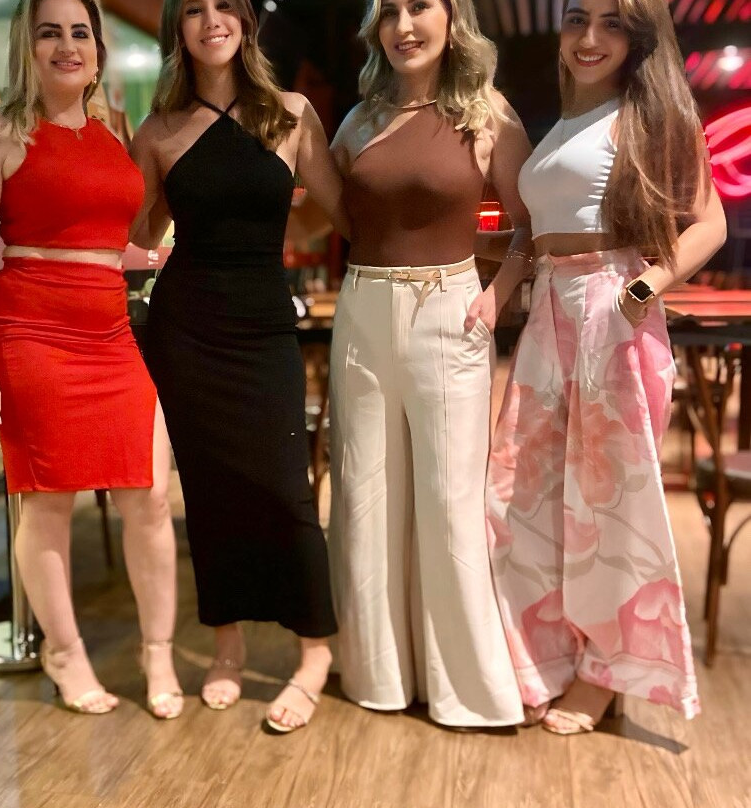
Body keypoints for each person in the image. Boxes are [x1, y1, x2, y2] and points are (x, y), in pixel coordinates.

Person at [485, 0, 727, 734]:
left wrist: (647, 286)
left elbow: (710, 221)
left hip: (611, 310)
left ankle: (605, 674)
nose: (589, 38)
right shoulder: (562, 123)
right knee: (522, 493)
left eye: (612, 24)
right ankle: (545, 657)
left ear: (638, 38)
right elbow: (535, 232)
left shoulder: (650, 117)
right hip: (551, 312)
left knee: (610, 505)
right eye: (577, 20)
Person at [0, 0, 183, 719]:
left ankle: (158, 651)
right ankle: (65, 651)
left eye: (80, 32)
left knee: (150, 496)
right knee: (47, 503)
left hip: (111, 333)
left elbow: (114, 236)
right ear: (27, 45)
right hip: (31, 333)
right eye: (49, 32)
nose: (67, 45)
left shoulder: (113, 130)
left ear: (98, 49)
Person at [130, 0, 345, 733]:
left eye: (225, 5)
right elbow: (140, 231)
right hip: (186, 327)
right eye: (193, 9)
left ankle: (313, 651)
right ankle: (227, 644)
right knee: (210, 493)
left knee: (287, 488)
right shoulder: (157, 130)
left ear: (247, 22)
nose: (211, 19)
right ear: (178, 30)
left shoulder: (290, 114)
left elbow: (338, 211)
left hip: (263, 325)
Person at [328, 0, 531, 728]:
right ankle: (377, 675)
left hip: (450, 308)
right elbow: (339, 218)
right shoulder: (358, 121)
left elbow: (529, 228)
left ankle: (468, 692)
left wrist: (495, 297)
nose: (404, 25)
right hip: (362, 306)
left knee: (449, 503)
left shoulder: (487, 114)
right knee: (362, 496)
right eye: (389, 11)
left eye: (420, 6)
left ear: (453, 20)